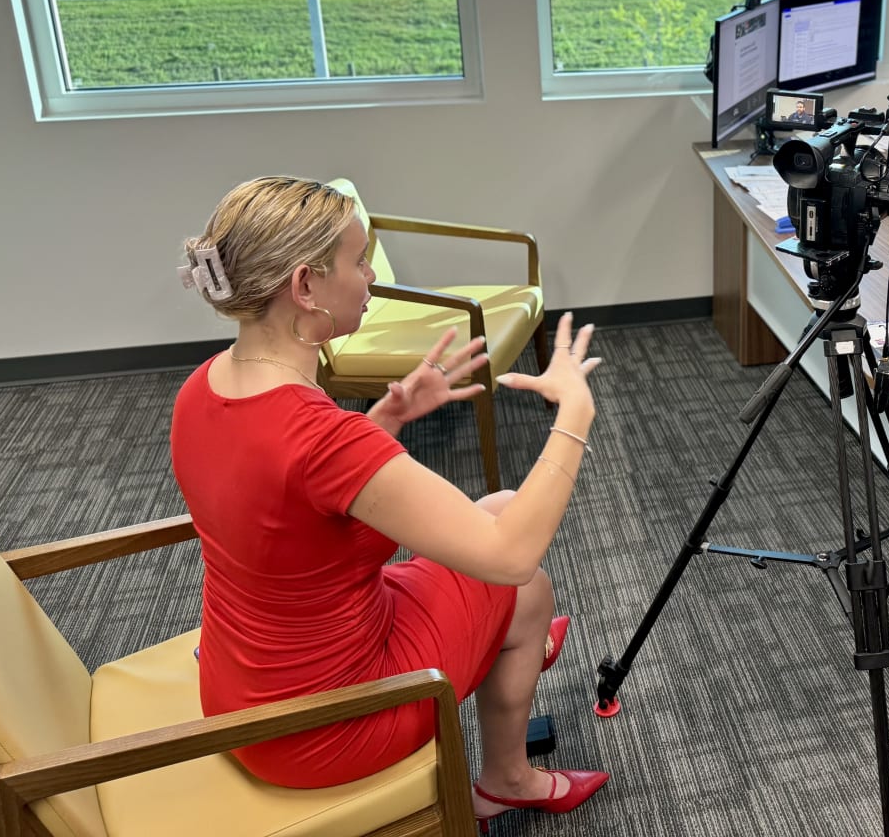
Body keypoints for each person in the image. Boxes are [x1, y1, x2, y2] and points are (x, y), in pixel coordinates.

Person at [171, 176, 608, 831]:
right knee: (526, 584)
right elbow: (512, 555)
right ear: (305, 286)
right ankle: (508, 776)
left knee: (497, 506)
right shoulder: (321, 437)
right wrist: (575, 411)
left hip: (244, 691)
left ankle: (512, 644)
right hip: (328, 725)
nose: (372, 276)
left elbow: (286, 511)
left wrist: (385, 419)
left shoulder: (203, 387)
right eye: (359, 260)